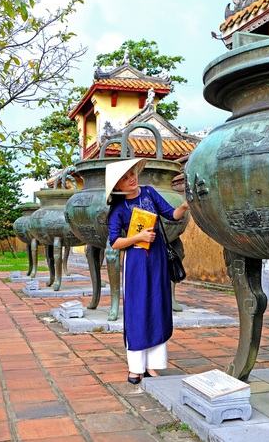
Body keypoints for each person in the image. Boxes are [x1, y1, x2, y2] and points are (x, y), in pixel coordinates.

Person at [105, 158, 189, 384]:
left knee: (158, 306)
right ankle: (135, 367)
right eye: (124, 178)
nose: (131, 179)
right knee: (137, 309)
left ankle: (152, 365)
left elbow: (171, 215)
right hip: (136, 263)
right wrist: (138, 238)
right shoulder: (118, 209)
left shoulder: (150, 193)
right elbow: (114, 242)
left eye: (131, 174)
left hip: (158, 259)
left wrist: (184, 206)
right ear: (117, 187)